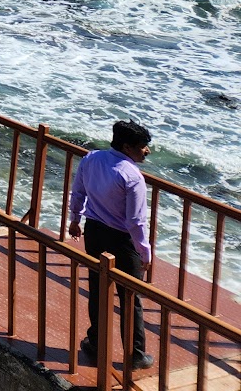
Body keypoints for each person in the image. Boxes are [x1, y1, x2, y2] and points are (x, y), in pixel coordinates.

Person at [69, 119, 154, 371]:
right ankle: (135, 354)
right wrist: (145, 252)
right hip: (122, 240)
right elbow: (136, 221)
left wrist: (75, 220)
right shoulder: (132, 176)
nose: (146, 151)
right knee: (130, 297)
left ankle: (95, 343)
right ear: (128, 147)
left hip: (94, 231)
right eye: (143, 147)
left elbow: (78, 192)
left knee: (97, 289)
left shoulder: (91, 158)